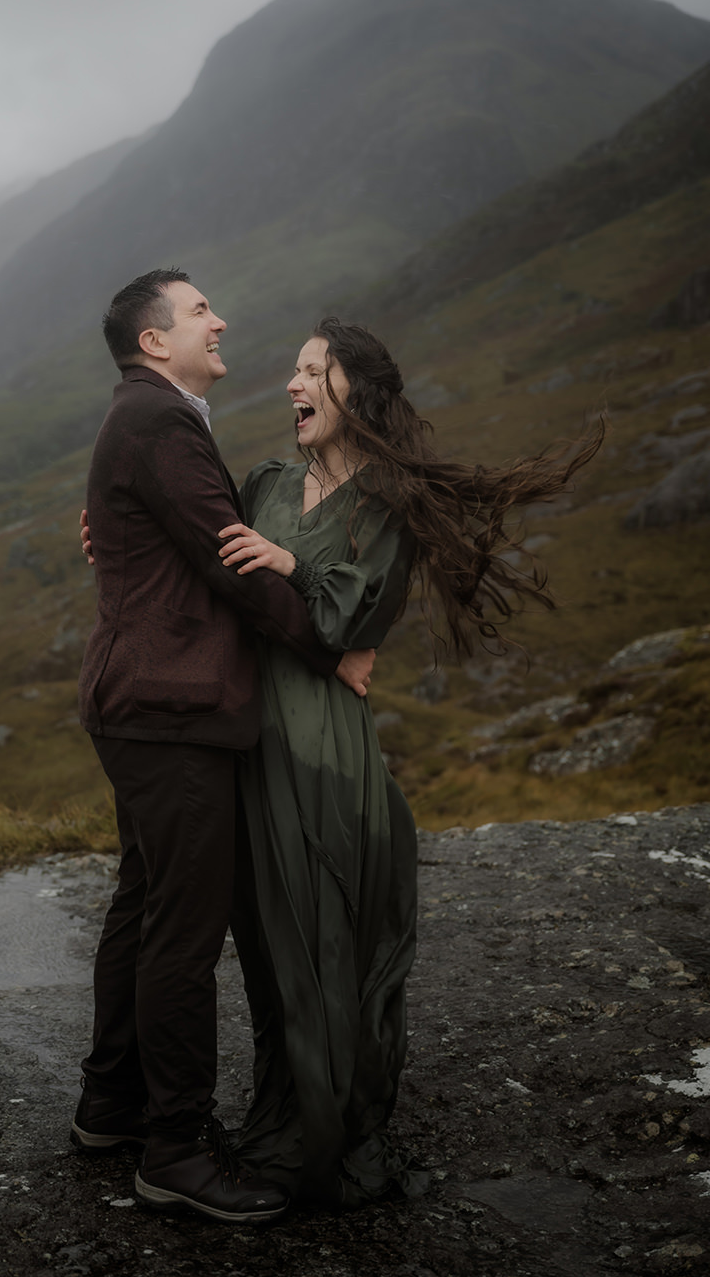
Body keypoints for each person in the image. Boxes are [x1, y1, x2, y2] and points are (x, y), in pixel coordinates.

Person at [213, 317, 603, 1207]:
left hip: (320, 753)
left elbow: (351, 621)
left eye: (314, 370)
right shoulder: (268, 482)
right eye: (294, 371)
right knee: (268, 952)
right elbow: (207, 576)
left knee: (324, 943)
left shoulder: (388, 505)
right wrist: (116, 537)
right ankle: (278, 1110)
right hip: (246, 748)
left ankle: (319, 1136)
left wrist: (291, 572)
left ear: (357, 391)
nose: (292, 384)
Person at [73, 271, 375, 1225]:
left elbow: (175, 541)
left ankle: (112, 1107)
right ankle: (173, 1150)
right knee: (182, 930)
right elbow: (231, 559)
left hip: (144, 702)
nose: (221, 318)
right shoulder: (161, 422)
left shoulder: (152, 417)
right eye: (201, 309)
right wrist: (334, 641)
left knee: (144, 905)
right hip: (169, 709)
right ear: (156, 340)